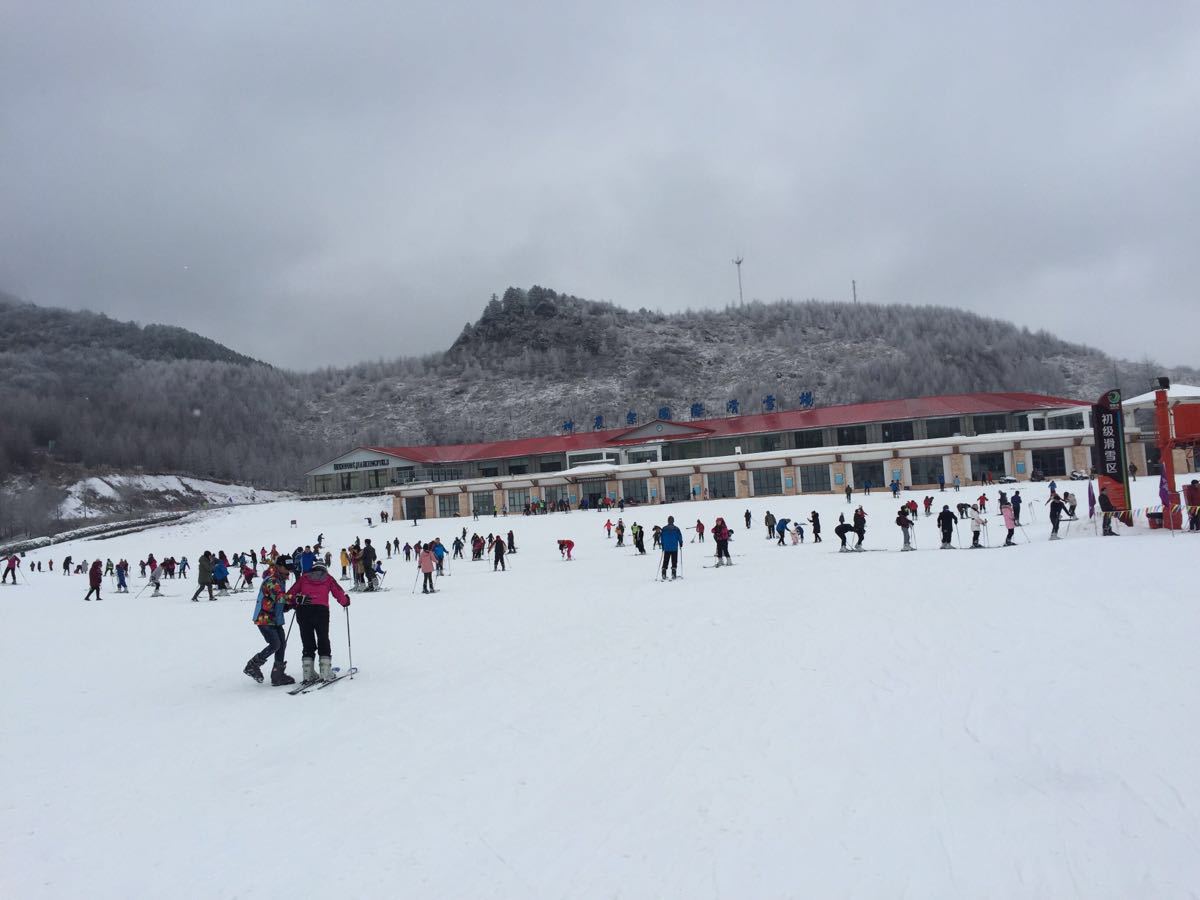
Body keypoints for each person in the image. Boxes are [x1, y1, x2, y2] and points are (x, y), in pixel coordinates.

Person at [285, 561, 350, 683]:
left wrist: (290, 604)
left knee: (307, 639)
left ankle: (308, 673)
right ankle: (325, 671)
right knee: (323, 637)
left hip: (303, 610)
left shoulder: (304, 578)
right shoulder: (328, 578)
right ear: (324, 569)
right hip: (321, 611)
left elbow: (291, 593)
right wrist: (345, 601)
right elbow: (338, 592)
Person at [243, 555, 297, 686]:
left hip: (275, 619)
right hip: (264, 618)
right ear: (278, 567)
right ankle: (252, 665)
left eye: (290, 569)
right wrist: (295, 599)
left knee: (281, 644)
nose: (289, 572)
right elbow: (279, 597)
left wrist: (289, 606)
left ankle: (277, 674)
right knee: (275, 644)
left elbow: (278, 602)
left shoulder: (280, 580)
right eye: (286, 568)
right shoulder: (272, 581)